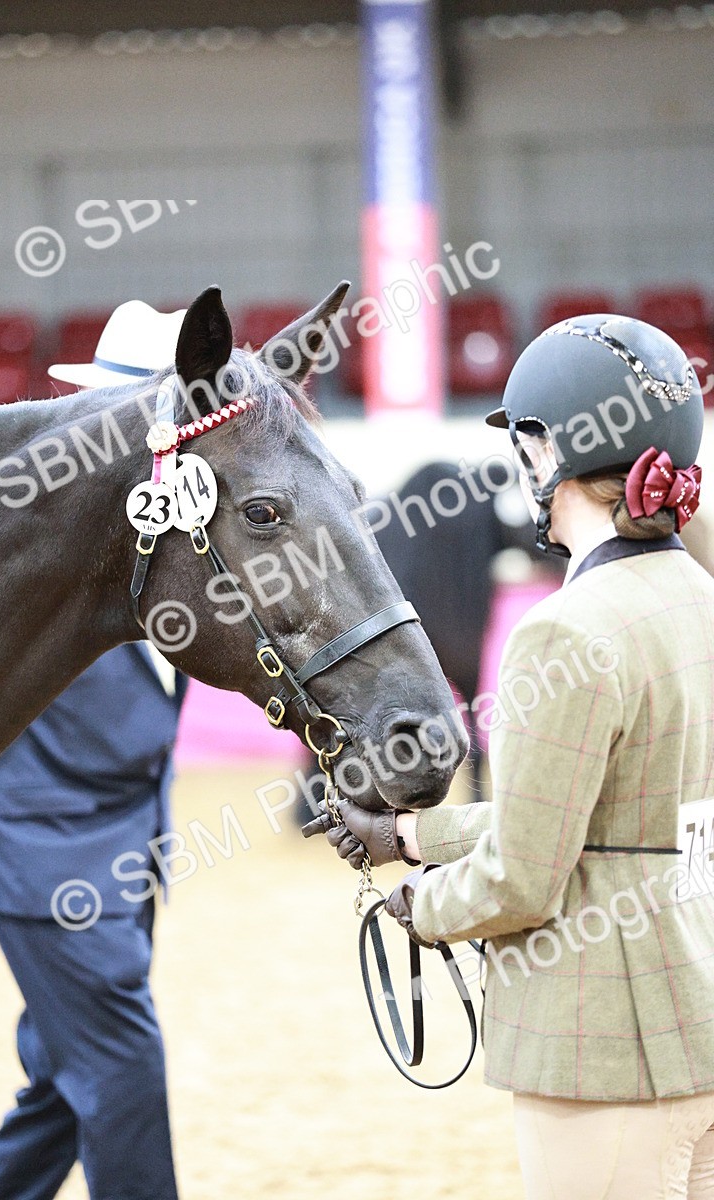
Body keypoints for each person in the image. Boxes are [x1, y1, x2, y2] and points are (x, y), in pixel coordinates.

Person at [306, 314, 714, 1198]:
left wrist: (420, 907)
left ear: (546, 449)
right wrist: (414, 834)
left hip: (601, 1041)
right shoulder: (697, 597)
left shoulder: (565, 630)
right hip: (694, 1008)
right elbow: (596, 822)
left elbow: (525, 877)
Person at [0, 302, 188, 1200]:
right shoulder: (34, 551)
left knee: (61, 1081)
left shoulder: (168, 548)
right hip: (46, 855)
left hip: (129, 845)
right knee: (122, 1069)